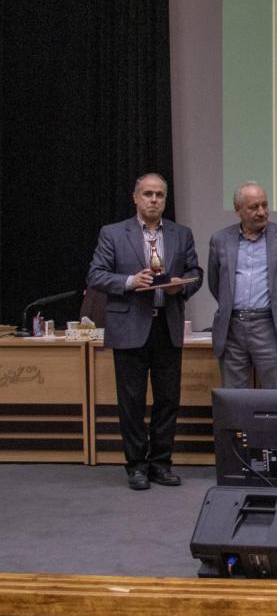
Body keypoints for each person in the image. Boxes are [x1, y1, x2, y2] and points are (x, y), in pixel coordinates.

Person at [86, 173, 203, 490]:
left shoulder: (181, 233)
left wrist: (181, 287)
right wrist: (129, 281)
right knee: (132, 401)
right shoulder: (113, 233)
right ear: (136, 198)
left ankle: (161, 464)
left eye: (159, 195)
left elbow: (195, 272)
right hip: (129, 327)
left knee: (168, 400)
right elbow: (96, 274)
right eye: (148, 194)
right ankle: (136, 465)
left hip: (167, 326)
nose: (154, 200)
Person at [207, 181, 277, 389]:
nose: (262, 212)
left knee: (276, 392)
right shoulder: (220, 239)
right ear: (238, 210)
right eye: (254, 207)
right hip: (232, 327)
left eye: (264, 205)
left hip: (270, 325)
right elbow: (215, 283)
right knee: (234, 395)